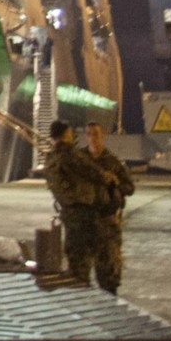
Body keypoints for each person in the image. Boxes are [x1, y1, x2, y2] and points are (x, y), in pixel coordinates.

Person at [48, 120, 133, 293]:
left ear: (102, 137)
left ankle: (109, 303)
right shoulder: (77, 157)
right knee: (79, 269)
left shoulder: (112, 162)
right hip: (84, 220)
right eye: (89, 134)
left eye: (96, 134)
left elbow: (129, 187)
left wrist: (114, 191)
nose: (92, 138)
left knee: (108, 270)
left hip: (106, 220)